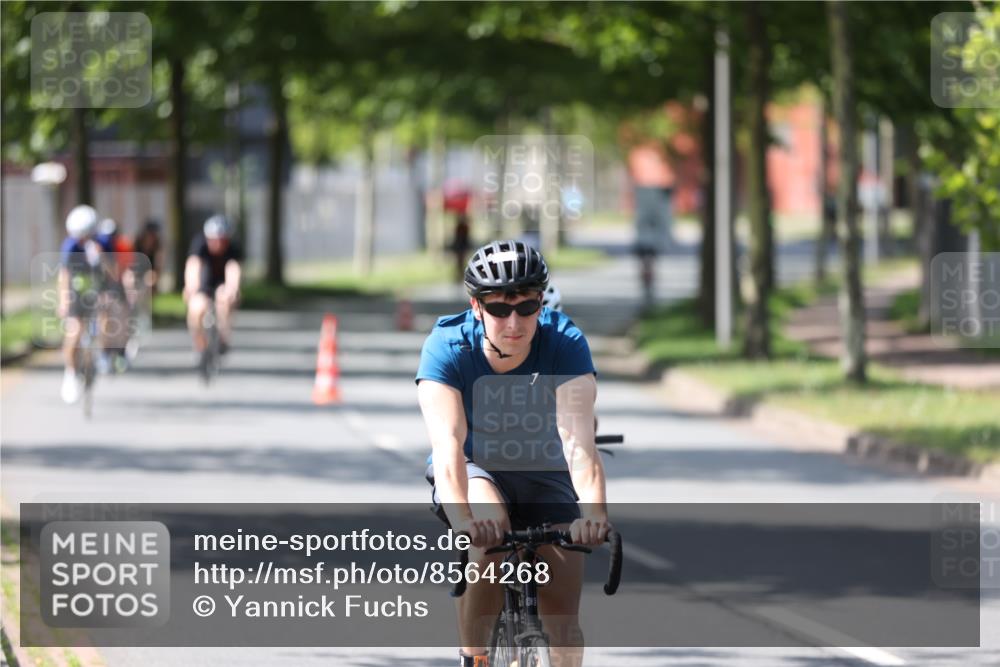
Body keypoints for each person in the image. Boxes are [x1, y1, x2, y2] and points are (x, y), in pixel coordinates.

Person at [416, 239, 610, 667]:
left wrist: (594, 514)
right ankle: (476, 657)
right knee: (491, 533)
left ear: (542, 302)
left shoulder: (565, 342)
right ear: (476, 306)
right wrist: (464, 520)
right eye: (500, 309)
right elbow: (447, 447)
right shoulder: (447, 347)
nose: (515, 321)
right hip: (474, 466)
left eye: (527, 307)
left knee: (563, 619)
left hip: (542, 467)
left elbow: (578, 440)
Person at [58, 205, 104, 403]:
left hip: (97, 292)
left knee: (108, 321)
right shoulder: (70, 246)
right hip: (77, 293)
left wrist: (101, 257)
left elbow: (112, 274)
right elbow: (65, 275)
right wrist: (64, 300)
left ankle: (104, 356)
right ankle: (70, 372)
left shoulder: (101, 243)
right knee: (74, 332)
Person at [183, 214, 242, 365]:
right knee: (197, 307)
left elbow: (233, 269)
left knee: (226, 299)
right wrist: (191, 288)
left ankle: (223, 336)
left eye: (222, 240)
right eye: (214, 240)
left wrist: (233, 289)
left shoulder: (233, 248)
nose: (218, 244)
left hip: (222, 283)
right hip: (204, 282)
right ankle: (199, 344)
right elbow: (193, 266)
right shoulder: (199, 244)